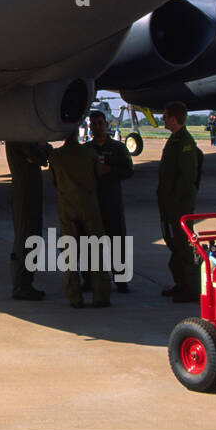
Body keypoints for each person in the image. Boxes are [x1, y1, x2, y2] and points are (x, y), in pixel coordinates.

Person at [48, 133, 110, 308]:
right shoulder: (89, 153)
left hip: (67, 207)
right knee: (96, 251)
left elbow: (53, 180)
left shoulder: (55, 156)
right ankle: (101, 295)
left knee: (70, 253)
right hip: (89, 205)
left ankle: (74, 296)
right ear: (78, 134)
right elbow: (98, 175)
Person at [157, 101, 201, 303]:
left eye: (165, 115)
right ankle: (181, 284)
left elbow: (187, 177)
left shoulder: (184, 143)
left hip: (180, 205)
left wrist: (176, 204)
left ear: (174, 118)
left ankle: (191, 289)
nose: (163, 119)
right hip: (171, 204)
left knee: (184, 247)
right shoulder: (175, 139)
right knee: (176, 245)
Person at [88, 110, 133, 293]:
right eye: (94, 124)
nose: (97, 127)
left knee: (118, 242)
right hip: (92, 202)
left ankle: (121, 280)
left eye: (100, 123)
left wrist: (110, 170)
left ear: (106, 125)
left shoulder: (118, 148)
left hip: (112, 201)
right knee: (90, 243)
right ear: (90, 127)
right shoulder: (86, 149)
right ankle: (90, 279)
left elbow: (128, 171)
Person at [4, 141, 49, 300]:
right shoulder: (20, 138)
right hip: (25, 196)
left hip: (28, 194)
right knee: (26, 240)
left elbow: (42, 154)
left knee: (30, 239)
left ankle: (24, 284)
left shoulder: (20, 137)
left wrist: (42, 149)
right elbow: (41, 158)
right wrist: (41, 150)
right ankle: (21, 286)